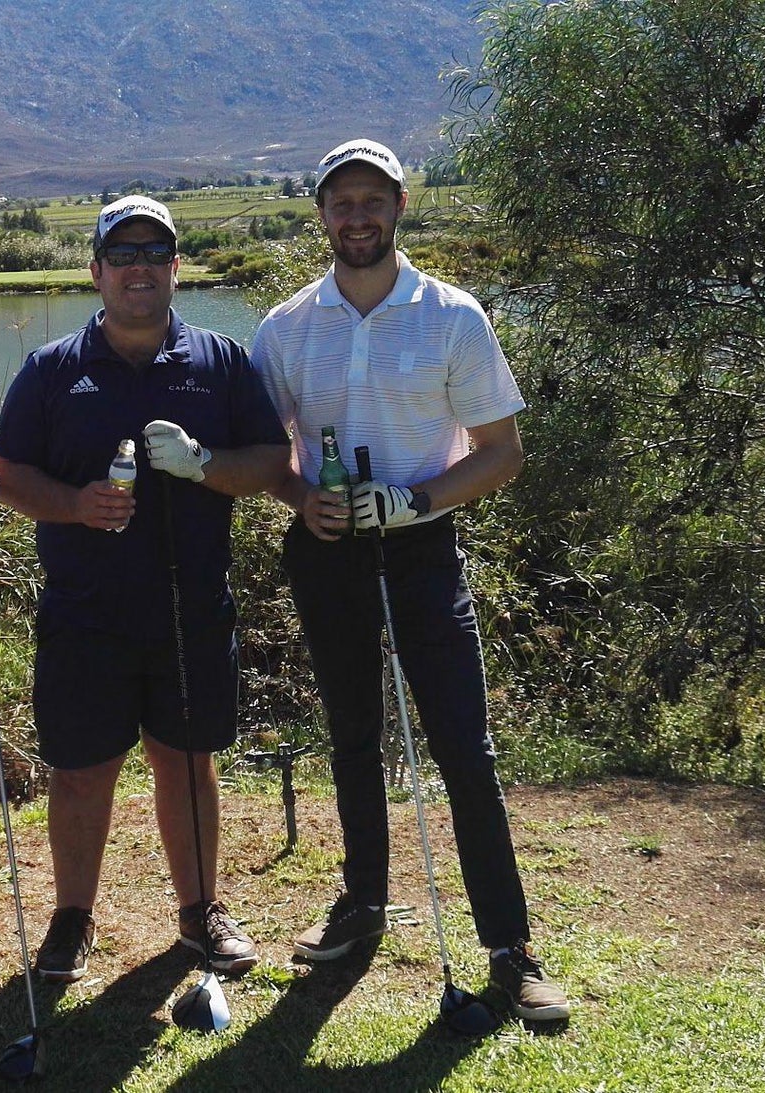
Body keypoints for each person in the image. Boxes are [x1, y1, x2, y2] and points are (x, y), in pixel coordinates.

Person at [253, 138, 572, 1022]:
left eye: (372, 200)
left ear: (399, 208)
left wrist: (415, 500)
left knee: (464, 749)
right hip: (326, 552)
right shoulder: (285, 327)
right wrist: (298, 495)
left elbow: (502, 452)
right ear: (320, 214)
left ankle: (510, 948)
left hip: (422, 551)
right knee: (352, 740)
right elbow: (261, 455)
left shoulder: (453, 316)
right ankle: (361, 908)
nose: (356, 216)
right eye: (340, 202)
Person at [0, 196, 289, 986]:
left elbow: (269, 459)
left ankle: (200, 914)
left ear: (176, 268)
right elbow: (7, 469)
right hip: (85, 611)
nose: (140, 268)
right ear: (96, 271)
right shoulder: (53, 368)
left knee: (187, 764)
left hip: (191, 608)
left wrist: (205, 465)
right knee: (82, 770)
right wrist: (74, 504)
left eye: (156, 252)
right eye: (122, 255)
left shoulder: (220, 360)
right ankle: (72, 919)